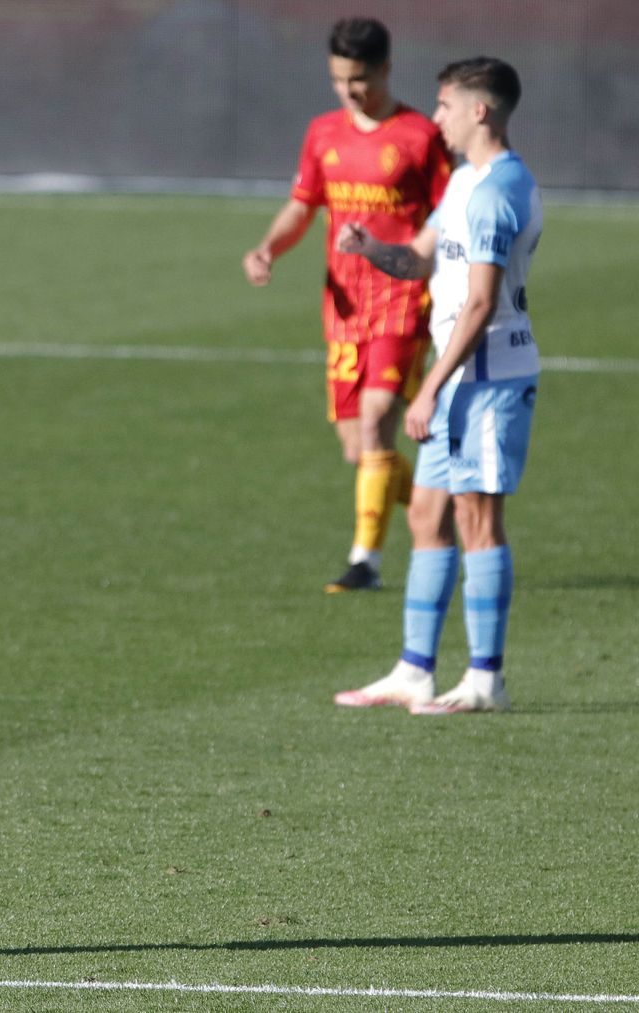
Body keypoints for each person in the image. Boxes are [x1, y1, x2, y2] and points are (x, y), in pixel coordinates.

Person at [332, 57, 540, 714]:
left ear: (480, 111)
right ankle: (415, 669)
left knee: (478, 519)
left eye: (445, 105)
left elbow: (479, 304)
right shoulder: (462, 184)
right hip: (457, 382)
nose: (436, 117)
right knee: (426, 515)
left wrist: (426, 390)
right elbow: (422, 257)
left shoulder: (496, 192)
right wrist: (371, 250)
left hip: (487, 381)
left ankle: (485, 679)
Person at [242, 17, 452, 592]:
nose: (350, 91)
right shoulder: (323, 133)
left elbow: (447, 211)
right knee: (359, 448)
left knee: (380, 416)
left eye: (359, 78)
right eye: (339, 79)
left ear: (385, 68)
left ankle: (366, 562)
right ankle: (445, 509)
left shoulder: (419, 135)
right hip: (344, 305)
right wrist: (267, 249)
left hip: (405, 296)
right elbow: (302, 206)